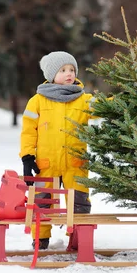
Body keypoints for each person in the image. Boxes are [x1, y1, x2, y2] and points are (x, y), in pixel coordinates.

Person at [19, 51, 93, 250]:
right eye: (63, 70)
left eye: (72, 70)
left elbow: (104, 107)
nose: (69, 73)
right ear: (51, 75)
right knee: (42, 202)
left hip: (76, 163)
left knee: (79, 203)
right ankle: (40, 238)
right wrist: (27, 156)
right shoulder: (38, 101)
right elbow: (28, 131)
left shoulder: (84, 99)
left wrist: (121, 103)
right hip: (46, 164)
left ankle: (79, 237)